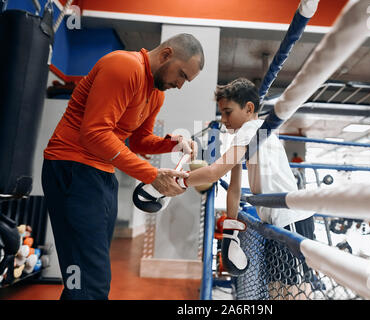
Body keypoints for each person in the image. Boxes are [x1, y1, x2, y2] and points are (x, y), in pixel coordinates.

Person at [41, 33, 204, 300]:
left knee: (85, 276)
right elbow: (94, 133)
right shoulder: (124, 67)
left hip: (102, 174)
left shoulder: (156, 94)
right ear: (166, 55)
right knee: (91, 282)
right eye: (182, 75)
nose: (180, 84)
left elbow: (139, 141)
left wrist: (172, 144)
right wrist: (152, 175)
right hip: (72, 166)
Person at [176, 78, 316, 299]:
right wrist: (230, 230)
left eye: (228, 112)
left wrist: (177, 181)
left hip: (291, 219)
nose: (223, 120)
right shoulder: (251, 135)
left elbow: (214, 172)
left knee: (294, 292)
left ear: (248, 108)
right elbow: (234, 188)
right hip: (278, 220)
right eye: (221, 113)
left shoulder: (252, 128)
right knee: (276, 290)